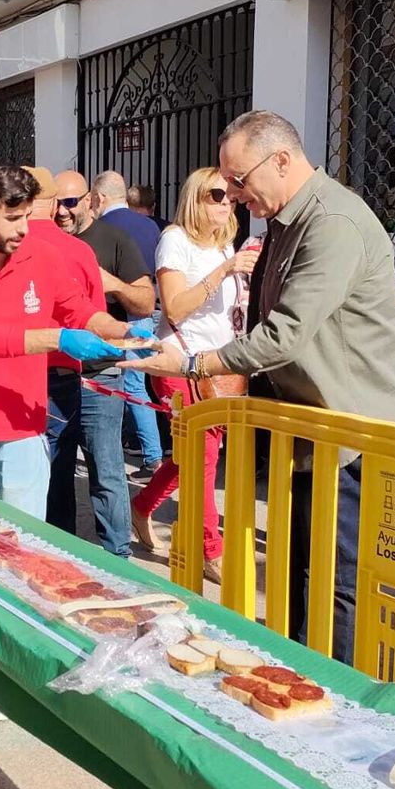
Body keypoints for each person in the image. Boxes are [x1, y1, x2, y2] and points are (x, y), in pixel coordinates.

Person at [120, 111, 395, 661]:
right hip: (300, 430)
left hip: (346, 436)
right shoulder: (282, 224)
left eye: (238, 181)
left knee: (334, 584)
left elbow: (285, 335)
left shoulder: (333, 222)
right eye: (225, 186)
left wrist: (194, 364)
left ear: (281, 160)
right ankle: (292, 675)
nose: (232, 194)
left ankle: (330, 699)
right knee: (296, 573)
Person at [0, 160, 137, 519]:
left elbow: (78, 309)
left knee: (24, 547)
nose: (24, 229)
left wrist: (124, 331)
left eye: (26, 216)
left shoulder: (42, 254)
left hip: (25, 428)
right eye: (12, 218)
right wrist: (59, 339)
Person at [130, 168, 259, 569]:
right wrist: (226, 271)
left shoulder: (224, 245)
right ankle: (209, 549)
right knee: (201, 454)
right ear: (195, 198)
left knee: (194, 453)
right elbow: (173, 308)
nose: (227, 202)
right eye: (216, 195)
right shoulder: (176, 240)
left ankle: (142, 504)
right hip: (179, 364)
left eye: (231, 196)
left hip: (218, 366)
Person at [45, 167, 153, 557]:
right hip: (51, 375)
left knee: (105, 469)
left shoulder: (114, 239)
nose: (62, 212)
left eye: (70, 203)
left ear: (91, 201)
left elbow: (146, 302)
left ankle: (117, 558)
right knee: (56, 472)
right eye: (57, 203)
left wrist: (113, 284)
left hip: (100, 375)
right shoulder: (43, 242)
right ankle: (63, 555)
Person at [93, 170, 165, 473]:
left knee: (131, 382)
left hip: (122, 317)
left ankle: (152, 455)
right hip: (157, 309)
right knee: (148, 380)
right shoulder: (154, 226)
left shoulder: (101, 230)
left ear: (98, 198)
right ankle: (152, 446)